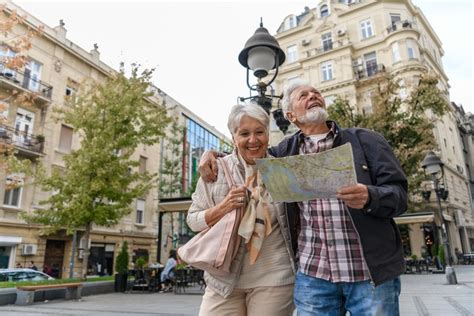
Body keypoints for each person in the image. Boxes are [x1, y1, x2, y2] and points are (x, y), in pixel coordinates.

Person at [198, 81, 408, 315]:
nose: (313, 96)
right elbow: (249, 151)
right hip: (313, 277)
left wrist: (371, 196)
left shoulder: (366, 140)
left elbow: (400, 196)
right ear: (290, 115)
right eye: (303, 96)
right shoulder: (284, 153)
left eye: (316, 93)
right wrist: (211, 154)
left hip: (368, 275)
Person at [188, 104, 296, 315]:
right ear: (233, 137)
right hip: (223, 278)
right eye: (244, 133)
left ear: (267, 134)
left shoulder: (283, 172)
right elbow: (193, 220)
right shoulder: (215, 170)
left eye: (259, 132)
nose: (253, 140)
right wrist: (222, 208)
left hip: (275, 276)